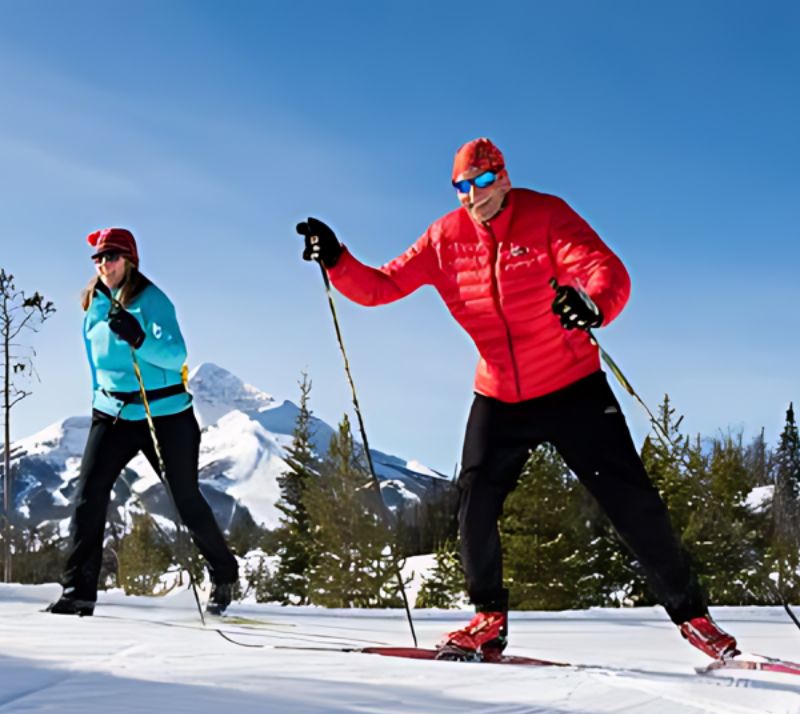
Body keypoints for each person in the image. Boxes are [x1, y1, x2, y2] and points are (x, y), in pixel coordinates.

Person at [297, 137, 739, 662]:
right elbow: (384, 285)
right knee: (475, 501)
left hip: (572, 383)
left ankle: (694, 617)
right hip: (500, 393)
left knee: (631, 501)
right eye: (462, 186)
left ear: (503, 177)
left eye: (482, 182)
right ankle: (488, 620)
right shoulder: (444, 239)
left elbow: (604, 268)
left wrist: (592, 305)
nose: (472, 195)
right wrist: (339, 259)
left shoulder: (546, 215)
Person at [46, 228, 238, 617]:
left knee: (184, 498)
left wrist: (139, 339)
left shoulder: (153, 301)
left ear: (130, 261)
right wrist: (100, 399)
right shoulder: (94, 303)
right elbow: (95, 361)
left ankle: (224, 573)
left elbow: (176, 354)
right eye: (99, 258)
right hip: (113, 414)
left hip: (163, 414)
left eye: (112, 257)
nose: (104, 264)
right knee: (88, 497)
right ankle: (78, 593)